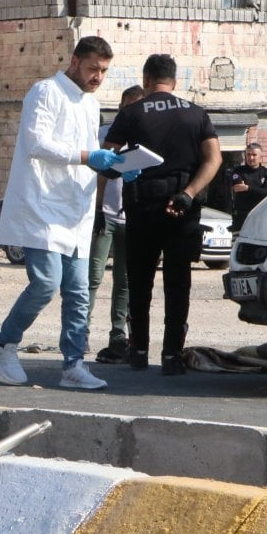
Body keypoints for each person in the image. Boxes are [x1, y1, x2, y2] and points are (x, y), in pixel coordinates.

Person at [0, 36, 123, 390]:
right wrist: (87, 156)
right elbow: (37, 143)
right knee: (46, 283)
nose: (98, 77)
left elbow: (90, 156)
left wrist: (116, 168)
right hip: (41, 206)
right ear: (75, 61)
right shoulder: (45, 92)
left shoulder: (91, 105)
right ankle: (4, 344)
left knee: (79, 291)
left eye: (104, 71)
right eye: (93, 68)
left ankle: (73, 365)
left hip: (76, 210)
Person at [103, 53, 221, 376]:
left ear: (146, 80)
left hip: (143, 207)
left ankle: (138, 349)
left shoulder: (131, 113)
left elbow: (107, 160)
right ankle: (172, 355)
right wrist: (188, 193)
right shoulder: (196, 113)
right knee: (178, 281)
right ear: (174, 81)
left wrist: (110, 188)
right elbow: (213, 160)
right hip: (183, 208)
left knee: (139, 281)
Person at [90, 84, 145, 364]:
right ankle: (79, 332)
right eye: (125, 106)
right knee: (92, 277)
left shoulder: (145, 139)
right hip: (106, 216)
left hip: (130, 217)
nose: (128, 112)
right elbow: (97, 172)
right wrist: (97, 209)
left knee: (124, 282)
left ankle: (118, 336)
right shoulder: (105, 134)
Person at [227, 142, 267, 232]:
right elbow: (238, 188)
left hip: (261, 215)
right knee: (239, 243)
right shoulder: (238, 171)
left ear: (260, 156)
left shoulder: (266, 172)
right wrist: (260, 190)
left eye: (254, 155)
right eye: (248, 154)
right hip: (242, 216)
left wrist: (247, 188)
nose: (251, 158)